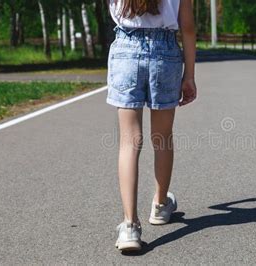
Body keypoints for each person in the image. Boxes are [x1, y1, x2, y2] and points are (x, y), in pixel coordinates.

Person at [106, 0, 197, 251]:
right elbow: (187, 28)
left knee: (129, 142)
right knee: (163, 138)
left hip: (125, 47)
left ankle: (129, 226)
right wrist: (189, 75)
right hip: (165, 52)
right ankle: (159, 205)